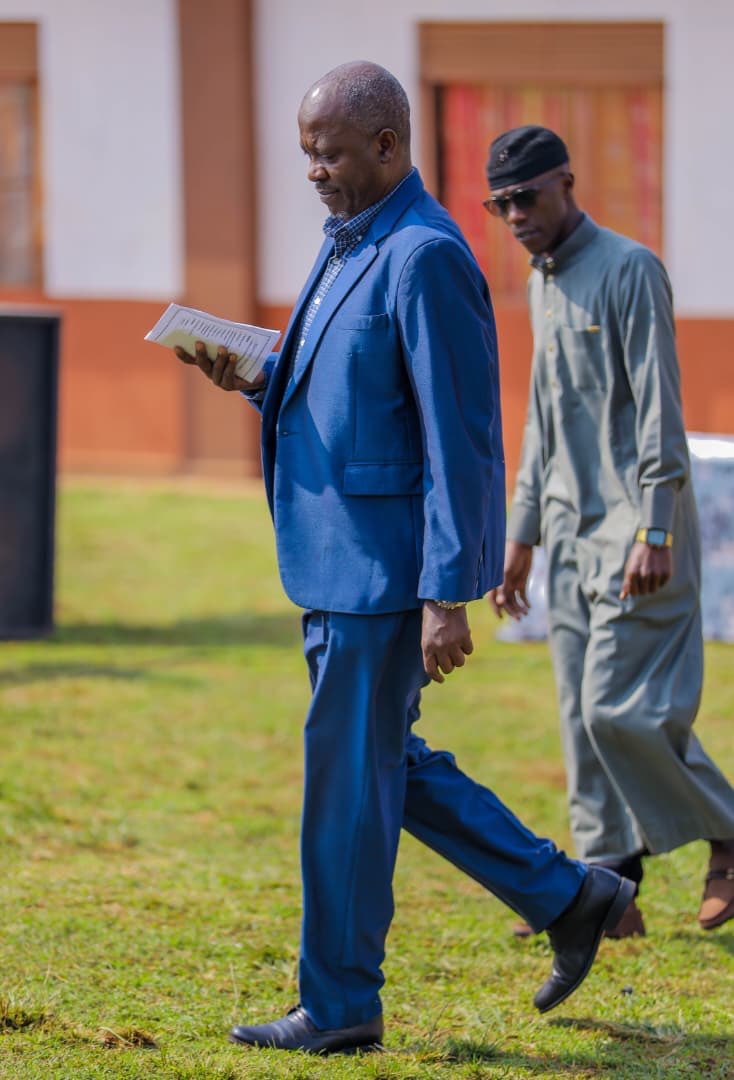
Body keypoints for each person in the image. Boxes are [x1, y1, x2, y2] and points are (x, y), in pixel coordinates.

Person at [174, 70, 634, 1054]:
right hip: (331, 560)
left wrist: (446, 592)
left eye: (329, 152)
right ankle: (569, 896)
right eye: (306, 152)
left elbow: (459, 438)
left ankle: (340, 1005)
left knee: (347, 787)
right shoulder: (347, 240)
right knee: (381, 765)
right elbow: (343, 390)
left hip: (384, 574)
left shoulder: (425, 255)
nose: (313, 170)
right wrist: (252, 375)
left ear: (387, 146)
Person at [485, 125, 734, 940]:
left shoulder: (631, 269)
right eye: (499, 204)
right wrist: (522, 531)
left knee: (615, 711)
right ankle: (604, 892)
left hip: (635, 535)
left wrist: (655, 530)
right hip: (567, 532)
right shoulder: (542, 282)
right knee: (578, 718)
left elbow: (661, 407)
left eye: (526, 197)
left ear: (566, 181)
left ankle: (727, 828)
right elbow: (544, 416)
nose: (515, 216)